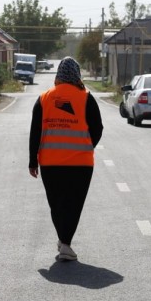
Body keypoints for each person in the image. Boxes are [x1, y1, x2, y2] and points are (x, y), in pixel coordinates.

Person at [29, 57, 103, 261]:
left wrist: (32, 161)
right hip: (81, 164)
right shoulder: (86, 97)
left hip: (50, 163)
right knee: (74, 203)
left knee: (56, 203)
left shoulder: (44, 98)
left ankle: (63, 240)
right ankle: (66, 243)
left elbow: (35, 132)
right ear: (77, 74)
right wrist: (87, 145)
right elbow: (97, 128)